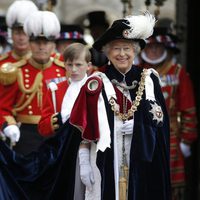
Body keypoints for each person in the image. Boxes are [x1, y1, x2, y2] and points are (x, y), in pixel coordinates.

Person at [69, 11, 171, 200]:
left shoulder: (149, 81)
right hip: (104, 163)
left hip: (142, 164)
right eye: (116, 48)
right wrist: (84, 162)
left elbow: (161, 126)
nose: (122, 54)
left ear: (135, 51)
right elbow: (81, 132)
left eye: (127, 48)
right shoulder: (95, 83)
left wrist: (141, 127)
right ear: (107, 52)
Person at [139, 26, 198, 200]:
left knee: (170, 188)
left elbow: (189, 110)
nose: (154, 50)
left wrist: (186, 141)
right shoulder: (136, 71)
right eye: (150, 47)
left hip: (170, 137)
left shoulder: (178, 73)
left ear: (165, 48)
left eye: (158, 47)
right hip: (141, 135)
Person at [0, 10, 66, 155]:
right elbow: (3, 107)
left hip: (56, 132)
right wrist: (9, 125)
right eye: (37, 42)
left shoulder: (64, 69)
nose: (41, 47)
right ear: (30, 43)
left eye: (46, 42)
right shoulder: (16, 70)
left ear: (53, 44)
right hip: (26, 134)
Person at [0, 0, 38, 66]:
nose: (21, 38)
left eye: (25, 33)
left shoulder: (41, 62)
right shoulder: (2, 63)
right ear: (11, 34)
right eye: (17, 33)